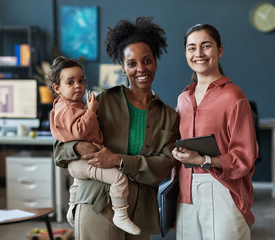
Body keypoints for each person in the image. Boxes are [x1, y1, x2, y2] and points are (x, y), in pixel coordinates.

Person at [52, 17, 179, 240]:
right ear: (123, 67)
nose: (141, 69)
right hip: (97, 205)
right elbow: (60, 150)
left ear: (156, 62)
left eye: (147, 60)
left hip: (140, 213)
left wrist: (119, 161)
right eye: (132, 63)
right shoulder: (101, 102)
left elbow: (165, 166)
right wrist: (80, 148)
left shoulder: (169, 116)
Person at [172, 24, 258, 240]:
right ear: (185, 53)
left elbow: (245, 156)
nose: (198, 54)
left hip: (222, 187)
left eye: (206, 46)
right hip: (186, 189)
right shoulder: (183, 99)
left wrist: (204, 159)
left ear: (220, 50)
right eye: (191, 48)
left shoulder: (233, 96)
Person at [48, 56, 141, 235]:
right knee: (118, 178)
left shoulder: (70, 104)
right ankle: (120, 214)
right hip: (83, 161)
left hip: (78, 164)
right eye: (70, 82)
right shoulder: (68, 108)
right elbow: (80, 131)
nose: (78, 86)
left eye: (81, 81)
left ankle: (71, 206)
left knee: (78, 181)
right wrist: (91, 111)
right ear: (57, 88)